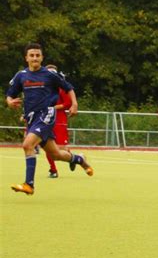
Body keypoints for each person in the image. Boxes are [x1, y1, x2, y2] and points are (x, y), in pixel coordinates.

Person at [6, 43, 93, 195]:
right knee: (56, 154)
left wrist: (74, 104)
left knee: (27, 144)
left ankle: (29, 185)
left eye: (37, 55)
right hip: (32, 118)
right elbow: (10, 94)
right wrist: (10, 101)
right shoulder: (21, 75)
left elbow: (68, 88)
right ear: (26, 58)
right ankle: (79, 159)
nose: (35, 58)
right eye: (31, 55)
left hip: (46, 115)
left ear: (42, 57)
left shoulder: (50, 74)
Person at [44, 64, 73, 178]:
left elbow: (68, 103)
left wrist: (55, 107)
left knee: (61, 149)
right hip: (46, 121)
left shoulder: (62, 88)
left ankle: (71, 157)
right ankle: (53, 170)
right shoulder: (43, 89)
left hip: (59, 121)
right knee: (47, 147)